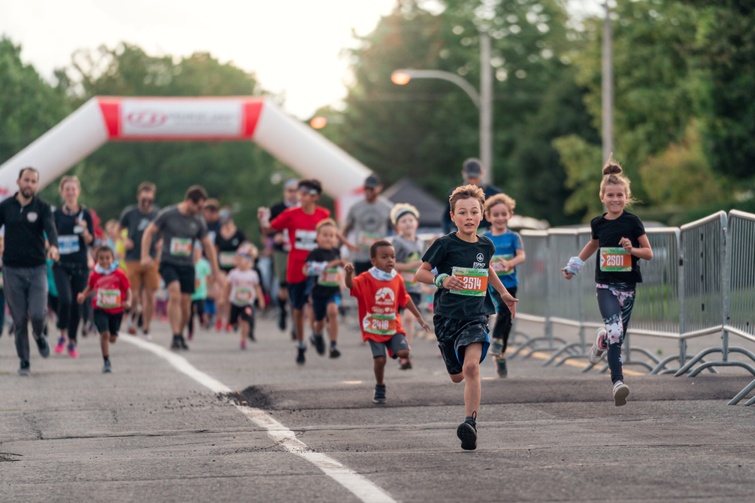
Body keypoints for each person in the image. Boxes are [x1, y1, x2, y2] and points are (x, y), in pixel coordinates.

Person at [415, 184, 518, 451]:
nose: (469, 217)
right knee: (457, 375)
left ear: (482, 214)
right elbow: (420, 273)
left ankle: (469, 423)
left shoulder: (486, 244)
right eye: (463, 212)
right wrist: (442, 279)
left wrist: (504, 294)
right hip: (447, 317)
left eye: (474, 212)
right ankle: (465, 404)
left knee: (472, 368)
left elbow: (487, 271)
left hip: (476, 315)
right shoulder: (444, 244)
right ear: (453, 216)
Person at [562, 157, 653, 407]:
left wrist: (631, 249)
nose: (615, 199)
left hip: (628, 288)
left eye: (620, 195)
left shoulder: (632, 222)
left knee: (615, 336)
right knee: (616, 332)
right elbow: (593, 244)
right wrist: (574, 266)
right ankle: (618, 383)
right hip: (605, 287)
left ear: (626, 197)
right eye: (610, 195)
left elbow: (648, 253)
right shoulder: (598, 224)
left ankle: (600, 341)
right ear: (602, 197)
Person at [345, 240, 429, 404]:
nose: (390, 260)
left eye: (392, 257)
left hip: (393, 326)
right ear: (373, 261)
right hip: (374, 327)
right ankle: (380, 385)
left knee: (404, 353)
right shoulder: (366, 278)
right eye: (384, 257)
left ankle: (398, 350)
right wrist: (348, 274)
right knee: (380, 360)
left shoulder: (396, 278)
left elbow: (405, 298)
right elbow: (351, 286)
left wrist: (419, 317)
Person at [258, 179, 330, 365]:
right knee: (298, 310)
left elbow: (333, 236)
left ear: (315, 197)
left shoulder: (323, 215)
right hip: (296, 268)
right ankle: (301, 343)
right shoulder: (290, 214)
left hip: (316, 268)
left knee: (315, 301)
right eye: (300, 193)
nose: (301, 197)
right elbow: (268, 229)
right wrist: (263, 219)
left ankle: (316, 333)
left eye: (305, 194)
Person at [141, 185, 220, 350]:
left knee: (186, 304)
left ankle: (180, 334)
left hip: (188, 265)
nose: (200, 210)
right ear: (189, 201)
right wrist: (145, 256)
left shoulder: (198, 221)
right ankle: (175, 334)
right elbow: (149, 232)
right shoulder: (169, 214)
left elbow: (208, 245)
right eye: (198, 206)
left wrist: (215, 270)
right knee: (174, 295)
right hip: (169, 262)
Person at [0, 167, 59, 375]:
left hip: (37, 268)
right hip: (11, 269)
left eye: (34, 181)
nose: (30, 185)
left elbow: (51, 228)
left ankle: (39, 335)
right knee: (18, 320)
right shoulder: (5, 207)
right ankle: (24, 361)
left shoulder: (42, 207)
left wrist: (53, 246)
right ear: (18, 182)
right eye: (27, 180)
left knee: (37, 313)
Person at [483, 193, 526, 378]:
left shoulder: (513, 237)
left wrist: (510, 264)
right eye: (496, 214)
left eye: (503, 214)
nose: (500, 218)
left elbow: (522, 256)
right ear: (488, 217)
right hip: (490, 284)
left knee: (506, 319)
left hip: (509, 284)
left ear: (510, 215)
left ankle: (500, 352)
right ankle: (492, 342)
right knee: (495, 313)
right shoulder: (485, 238)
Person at [52, 176, 95, 358]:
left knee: (78, 302)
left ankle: (71, 340)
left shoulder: (85, 214)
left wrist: (85, 230)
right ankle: (62, 332)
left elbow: (91, 239)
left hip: (80, 264)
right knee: (65, 299)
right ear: (62, 192)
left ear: (78, 191)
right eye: (67, 189)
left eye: (73, 189)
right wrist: (51, 249)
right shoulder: (56, 214)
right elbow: (50, 237)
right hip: (61, 263)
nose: (70, 192)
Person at [77, 245, 132, 373]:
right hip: (100, 309)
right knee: (105, 334)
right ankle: (106, 361)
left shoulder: (119, 274)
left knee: (112, 338)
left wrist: (128, 301)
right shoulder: (95, 274)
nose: (105, 261)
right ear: (97, 260)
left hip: (117, 311)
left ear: (113, 259)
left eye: (108, 258)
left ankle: (113, 335)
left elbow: (128, 289)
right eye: (101, 258)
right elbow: (90, 287)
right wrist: (83, 295)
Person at [119, 182, 160, 338]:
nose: (146, 201)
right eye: (144, 197)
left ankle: (146, 327)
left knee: (150, 294)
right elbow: (117, 230)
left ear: (152, 197)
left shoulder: (157, 213)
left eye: (149, 197)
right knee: (134, 294)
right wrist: (124, 241)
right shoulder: (130, 213)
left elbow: (163, 231)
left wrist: (161, 241)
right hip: (133, 258)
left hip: (151, 258)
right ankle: (135, 313)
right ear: (139, 197)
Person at [303, 219, 346, 359]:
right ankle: (317, 335)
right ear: (318, 237)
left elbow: (342, 270)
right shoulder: (315, 253)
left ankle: (333, 345)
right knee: (319, 322)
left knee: (333, 311)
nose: (328, 238)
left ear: (336, 238)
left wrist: (345, 278)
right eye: (325, 235)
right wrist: (329, 265)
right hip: (318, 292)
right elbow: (307, 270)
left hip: (334, 290)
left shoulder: (337, 252)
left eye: (331, 235)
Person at [389, 203, 425, 370]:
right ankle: (397, 346)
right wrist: (412, 266)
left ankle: (405, 353)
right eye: (403, 221)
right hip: (396, 288)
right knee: (396, 322)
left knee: (410, 319)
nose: (408, 223)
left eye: (411, 220)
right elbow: (391, 264)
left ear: (416, 223)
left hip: (414, 288)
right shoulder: (396, 242)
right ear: (397, 225)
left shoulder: (420, 243)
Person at [342, 174, 393, 276]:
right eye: (366, 188)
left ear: (380, 188)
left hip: (380, 256)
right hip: (360, 256)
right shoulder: (356, 207)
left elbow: (397, 229)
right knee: (362, 287)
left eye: (372, 188)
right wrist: (345, 247)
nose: (368, 191)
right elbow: (346, 230)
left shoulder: (388, 207)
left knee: (378, 288)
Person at [268, 178, 299, 333]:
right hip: (281, 250)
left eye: (296, 190)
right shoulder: (276, 208)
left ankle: (296, 321)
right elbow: (266, 229)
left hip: (298, 250)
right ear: (285, 192)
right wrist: (274, 236)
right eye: (290, 190)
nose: (293, 194)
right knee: (283, 286)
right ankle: (282, 312)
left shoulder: (303, 208)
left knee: (296, 287)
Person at [442, 158, 501, 234]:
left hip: (487, 236)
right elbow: (446, 219)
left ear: (482, 174)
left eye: (475, 178)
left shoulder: (494, 194)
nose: (472, 181)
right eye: (470, 178)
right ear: (463, 174)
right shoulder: (454, 194)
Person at [214, 207, 247, 332]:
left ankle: (229, 320)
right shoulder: (218, 234)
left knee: (229, 297)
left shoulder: (239, 234)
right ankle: (219, 319)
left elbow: (245, 249)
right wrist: (215, 269)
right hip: (222, 268)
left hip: (235, 270)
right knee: (221, 295)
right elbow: (215, 251)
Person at [225, 245, 265, 349]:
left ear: (248, 261)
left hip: (247, 302)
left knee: (245, 320)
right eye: (238, 259)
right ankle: (235, 323)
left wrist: (261, 299)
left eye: (242, 259)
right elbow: (227, 287)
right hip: (235, 302)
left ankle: (243, 339)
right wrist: (224, 297)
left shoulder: (253, 274)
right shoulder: (233, 274)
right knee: (233, 322)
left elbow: (257, 288)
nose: (240, 262)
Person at [188, 244, 211, 341]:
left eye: (197, 252)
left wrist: (209, 287)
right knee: (190, 314)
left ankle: (203, 319)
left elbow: (208, 277)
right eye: (194, 252)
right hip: (190, 293)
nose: (195, 254)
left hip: (200, 292)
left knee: (201, 309)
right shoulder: (188, 263)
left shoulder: (204, 264)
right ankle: (190, 331)